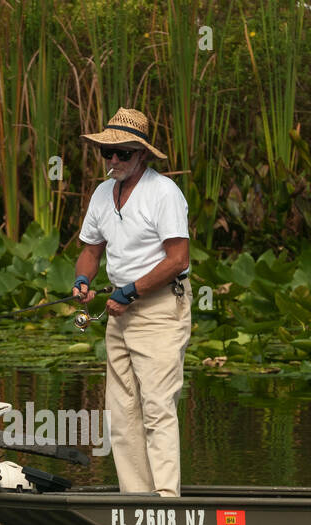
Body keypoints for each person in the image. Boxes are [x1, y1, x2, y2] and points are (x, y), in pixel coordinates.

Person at [72, 107, 192, 497]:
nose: (114, 161)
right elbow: (91, 250)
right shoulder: (102, 194)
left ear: (142, 154)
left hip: (158, 310)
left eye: (123, 153)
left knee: (157, 407)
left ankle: (167, 501)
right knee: (122, 414)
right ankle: (137, 500)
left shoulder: (164, 193)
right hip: (118, 312)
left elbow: (178, 259)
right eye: (108, 153)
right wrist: (82, 281)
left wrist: (131, 292)